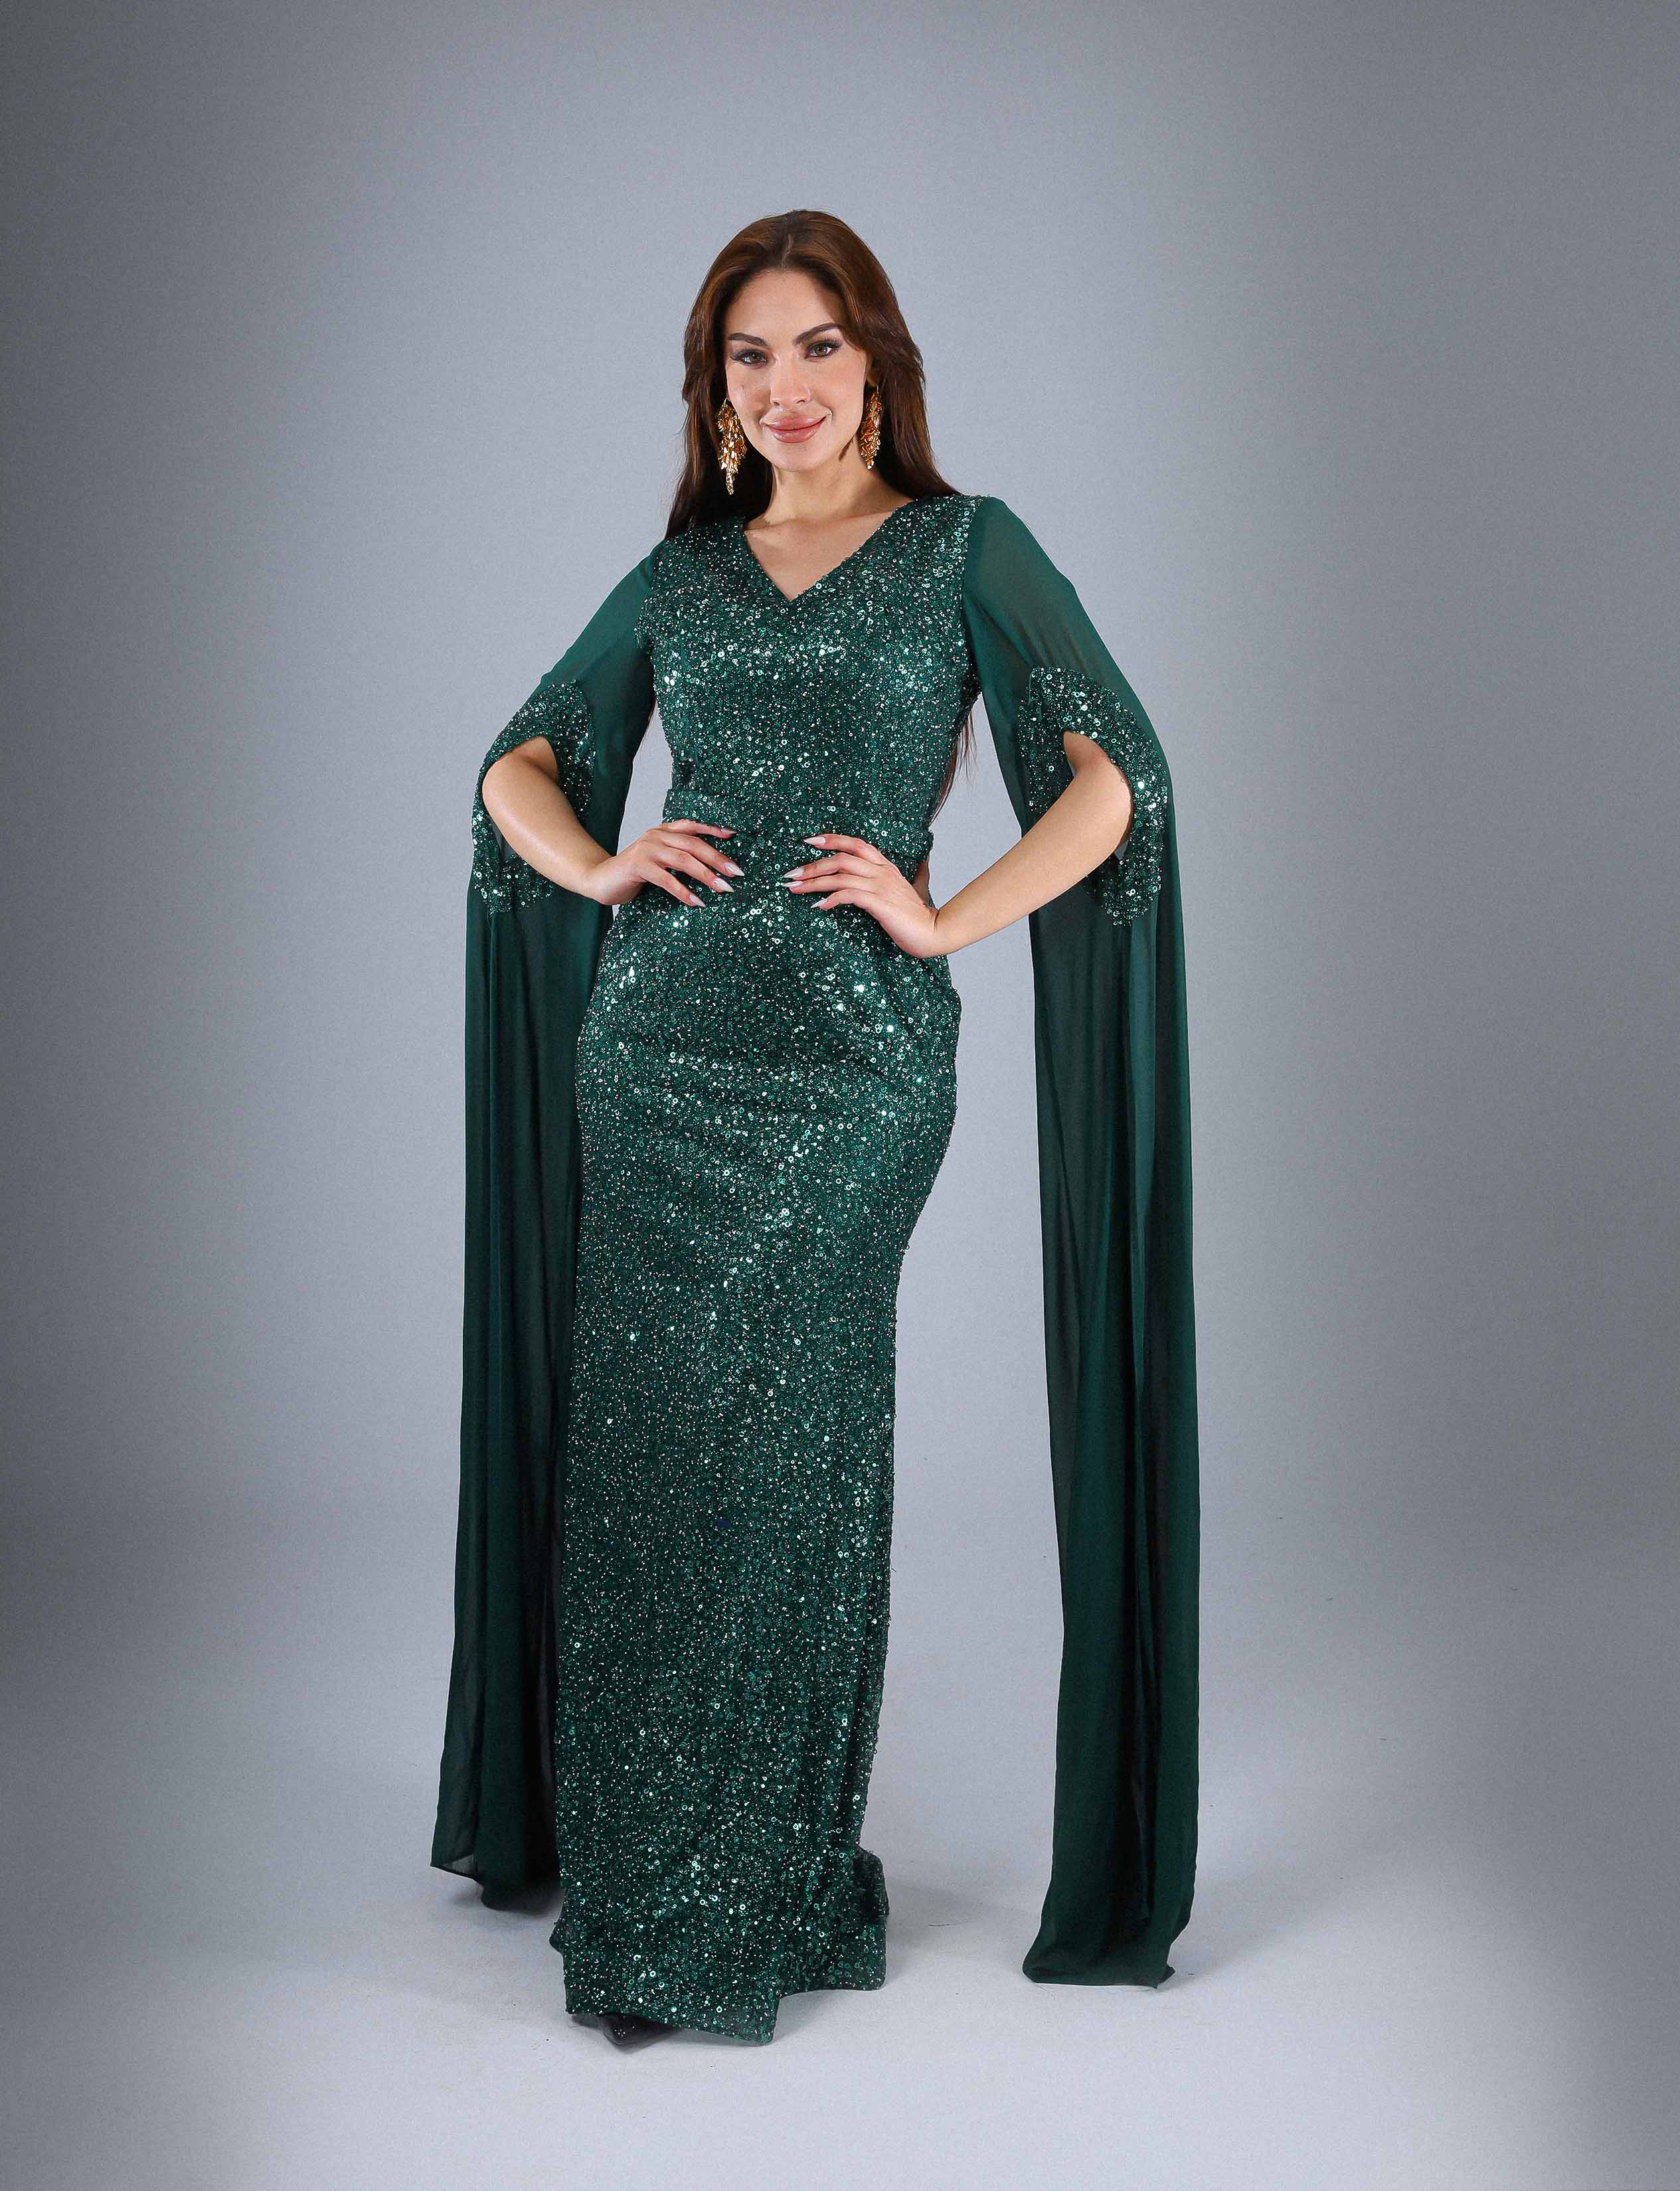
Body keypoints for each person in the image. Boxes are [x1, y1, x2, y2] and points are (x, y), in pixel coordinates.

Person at [430, 209, 1200, 2049]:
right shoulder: (682, 576)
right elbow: (515, 764)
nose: (786, 386)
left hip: (855, 1068)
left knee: (792, 1447)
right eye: (749, 356)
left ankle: (754, 1882)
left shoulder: (966, 548)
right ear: (717, 390)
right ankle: (648, 1880)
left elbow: (1120, 779)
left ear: (878, 365)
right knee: (651, 1449)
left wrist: (947, 915)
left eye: (819, 347)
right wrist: (602, 864)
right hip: (659, 1052)